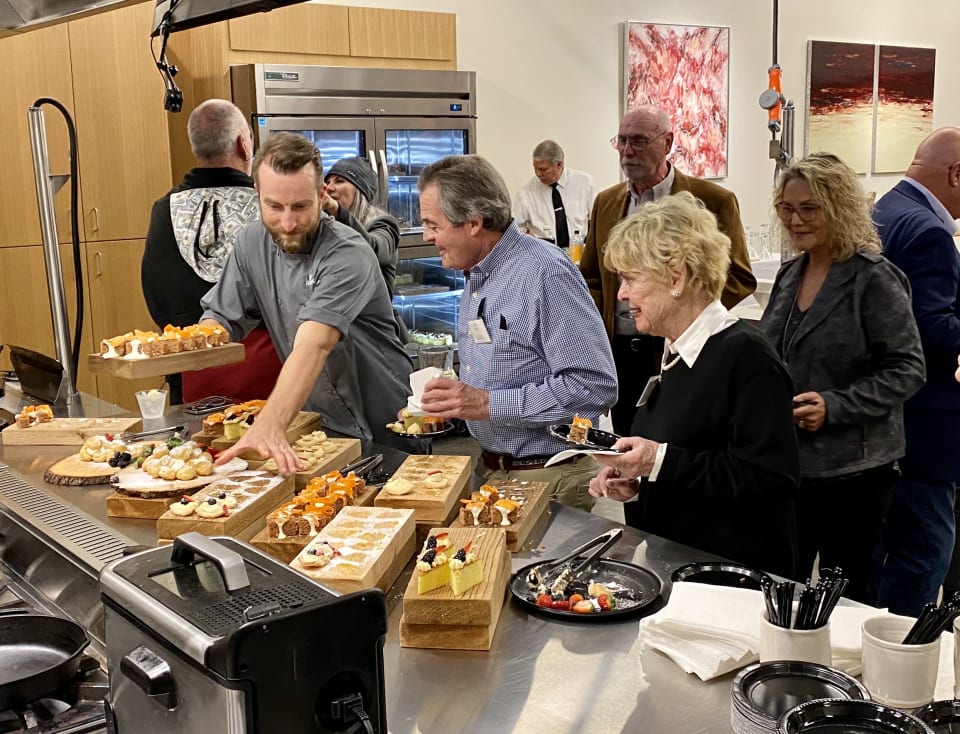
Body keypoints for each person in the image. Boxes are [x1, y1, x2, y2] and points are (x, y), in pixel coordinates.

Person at [588, 192, 799, 578]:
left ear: (676, 277)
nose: (621, 294)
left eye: (631, 278)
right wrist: (637, 481)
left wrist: (657, 461)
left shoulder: (747, 358)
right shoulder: (674, 352)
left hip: (732, 586)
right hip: (680, 569)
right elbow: (689, 458)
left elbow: (770, 480)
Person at [759, 153, 925, 604]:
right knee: (780, 587)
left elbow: (908, 368)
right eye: (787, 209)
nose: (795, 220)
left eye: (809, 208)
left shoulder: (874, 279)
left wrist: (835, 406)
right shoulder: (790, 274)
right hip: (792, 466)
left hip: (854, 472)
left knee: (847, 594)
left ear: (839, 208)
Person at [201, 132, 413, 474]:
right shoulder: (250, 243)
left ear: (322, 195)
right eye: (274, 206)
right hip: (323, 427)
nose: (287, 223)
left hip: (385, 427)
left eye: (300, 207)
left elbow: (314, 344)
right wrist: (196, 339)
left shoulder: (348, 252)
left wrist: (271, 423)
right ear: (258, 195)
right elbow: (221, 316)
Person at [417, 154, 617, 512]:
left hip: (547, 476)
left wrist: (487, 403)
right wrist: (454, 407)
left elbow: (594, 387)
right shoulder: (478, 274)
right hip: (497, 469)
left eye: (433, 224)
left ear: (474, 222)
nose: (427, 236)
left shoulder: (546, 274)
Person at [580, 105, 756, 434]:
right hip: (619, 350)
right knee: (627, 439)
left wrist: (687, 317)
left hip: (680, 347)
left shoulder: (712, 200)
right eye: (622, 140)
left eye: (639, 141)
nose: (628, 151)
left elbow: (740, 277)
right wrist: (596, 320)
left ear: (668, 143)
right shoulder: (606, 202)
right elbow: (591, 275)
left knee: (680, 436)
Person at [141, 98, 282, 404]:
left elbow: (156, 294)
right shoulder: (273, 208)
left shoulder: (165, 210)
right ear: (244, 146)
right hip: (272, 375)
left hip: (190, 370)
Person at [873, 127, 960, 616]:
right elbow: (929, 327)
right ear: (956, 173)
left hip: (886, 419)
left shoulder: (886, 209)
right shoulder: (929, 231)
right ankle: (904, 655)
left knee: (890, 545)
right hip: (924, 420)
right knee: (927, 550)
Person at [322, 156, 400, 296]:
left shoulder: (384, 224)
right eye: (327, 182)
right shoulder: (326, 226)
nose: (329, 187)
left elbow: (372, 250)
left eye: (340, 181)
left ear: (359, 191)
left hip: (370, 316)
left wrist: (338, 211)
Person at [512, 139, 596, 247]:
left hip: (579, 253)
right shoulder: (526, 192)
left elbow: (598, 223)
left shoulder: (585, 184)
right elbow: (515, 230)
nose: (538, 174)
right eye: (535, 168)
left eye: (543, 169)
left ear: (559, 164)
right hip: (543, 256)